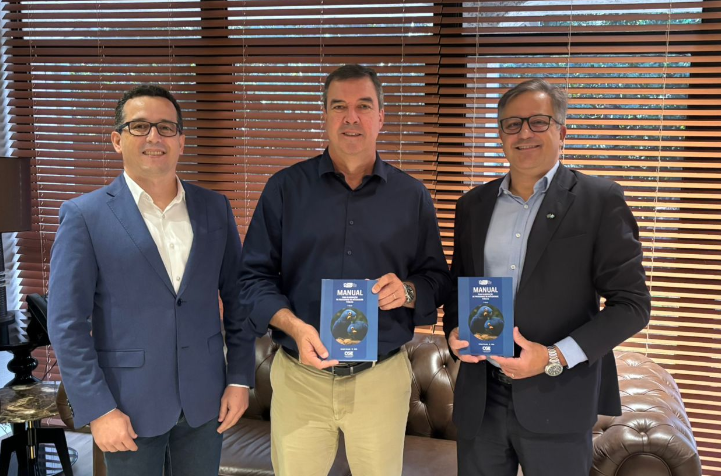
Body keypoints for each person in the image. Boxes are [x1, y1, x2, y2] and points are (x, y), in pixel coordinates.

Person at [238, 64, 451, 476]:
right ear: (324, 116)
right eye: (339, 106)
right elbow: (252, 278)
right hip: (300, 376)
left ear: (381, 117)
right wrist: (294, 327)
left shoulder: (412, 196)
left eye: (363, 106)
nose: (351, 117)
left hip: (380, 379)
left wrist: (407, 292)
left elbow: (437, 279)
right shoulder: (284, 189)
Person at [443, 78, 651, 476]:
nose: (524, 133)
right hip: (481, 400)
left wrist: (554, 357)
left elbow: (632, 305)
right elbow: (459, 287)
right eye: (512, 124)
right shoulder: (472, 205)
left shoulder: (599, 200)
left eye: (538, 122)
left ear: (562, 132)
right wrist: (454, 332)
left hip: (559, 396)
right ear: (501, 135)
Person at [48, 84, 255, 476]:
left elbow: (239, 300)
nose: (154, 137)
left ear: (181, 141)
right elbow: (66, 323)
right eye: (139, 126)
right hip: (126, 408)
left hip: (206, 402)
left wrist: (240, 379)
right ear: (117, 140)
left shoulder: (214, 207)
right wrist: (99, 409)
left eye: (166, 127)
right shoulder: (84, 216)